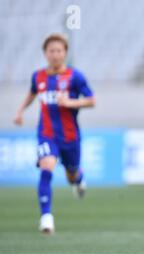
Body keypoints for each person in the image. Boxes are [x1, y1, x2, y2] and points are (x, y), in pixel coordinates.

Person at [13, 33, 95, 234]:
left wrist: (70, 103)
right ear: (45, 53)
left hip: (70, 136)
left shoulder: (75, 76)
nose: (56, 54)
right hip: (47, 134)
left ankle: (78, 178)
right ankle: (46, 218)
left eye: (59, 50)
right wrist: (20, 111)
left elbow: (91, 100)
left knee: (71, 174)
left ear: (65, 53)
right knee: (46, 167)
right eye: (52, 51)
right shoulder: (38, 76)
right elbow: (32, 92)